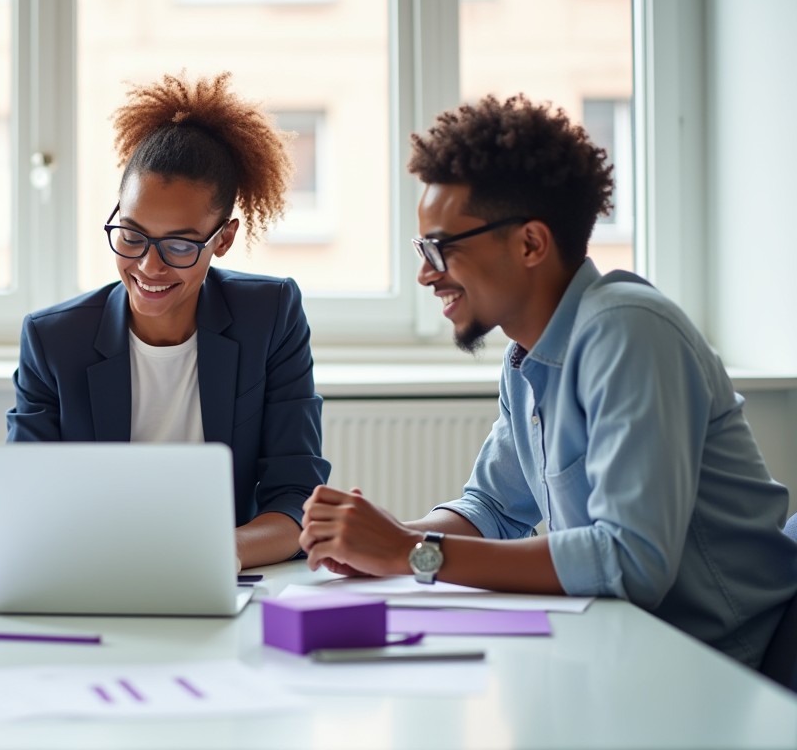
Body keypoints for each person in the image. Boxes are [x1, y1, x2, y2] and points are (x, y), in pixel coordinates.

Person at [299, 95, 797, 668]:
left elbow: (629, 562)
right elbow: (492, 508)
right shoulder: (527, 357)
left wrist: (412, 552)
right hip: (632, 652)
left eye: (441, 248)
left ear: (531, 243)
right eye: (422, 249)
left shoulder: (629, 331)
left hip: (733, 662)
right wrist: (380, 542)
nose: (425, 274)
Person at [7, 72, 330, 569]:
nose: (148, 267)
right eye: (132, 235)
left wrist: (202, 555)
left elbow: (297, 498)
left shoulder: (269, 316)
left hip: (220, 572)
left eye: (180, 245)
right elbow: (24, 500)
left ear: (222, 239)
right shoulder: (54, 340)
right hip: (92, 572)